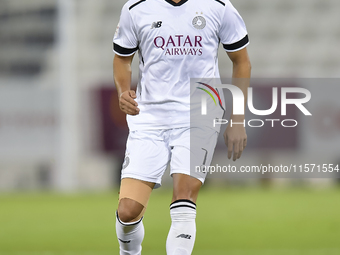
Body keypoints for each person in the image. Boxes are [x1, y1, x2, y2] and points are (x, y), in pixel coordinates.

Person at [113, 0, 251, 254]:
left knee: (184, 196)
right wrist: (123, 91)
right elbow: (122, 59)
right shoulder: (136, 8)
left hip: (200, 114)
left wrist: (238, 118)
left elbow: (241, 61)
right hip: (150, 117)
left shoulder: (218, 6)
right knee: (128, 211)